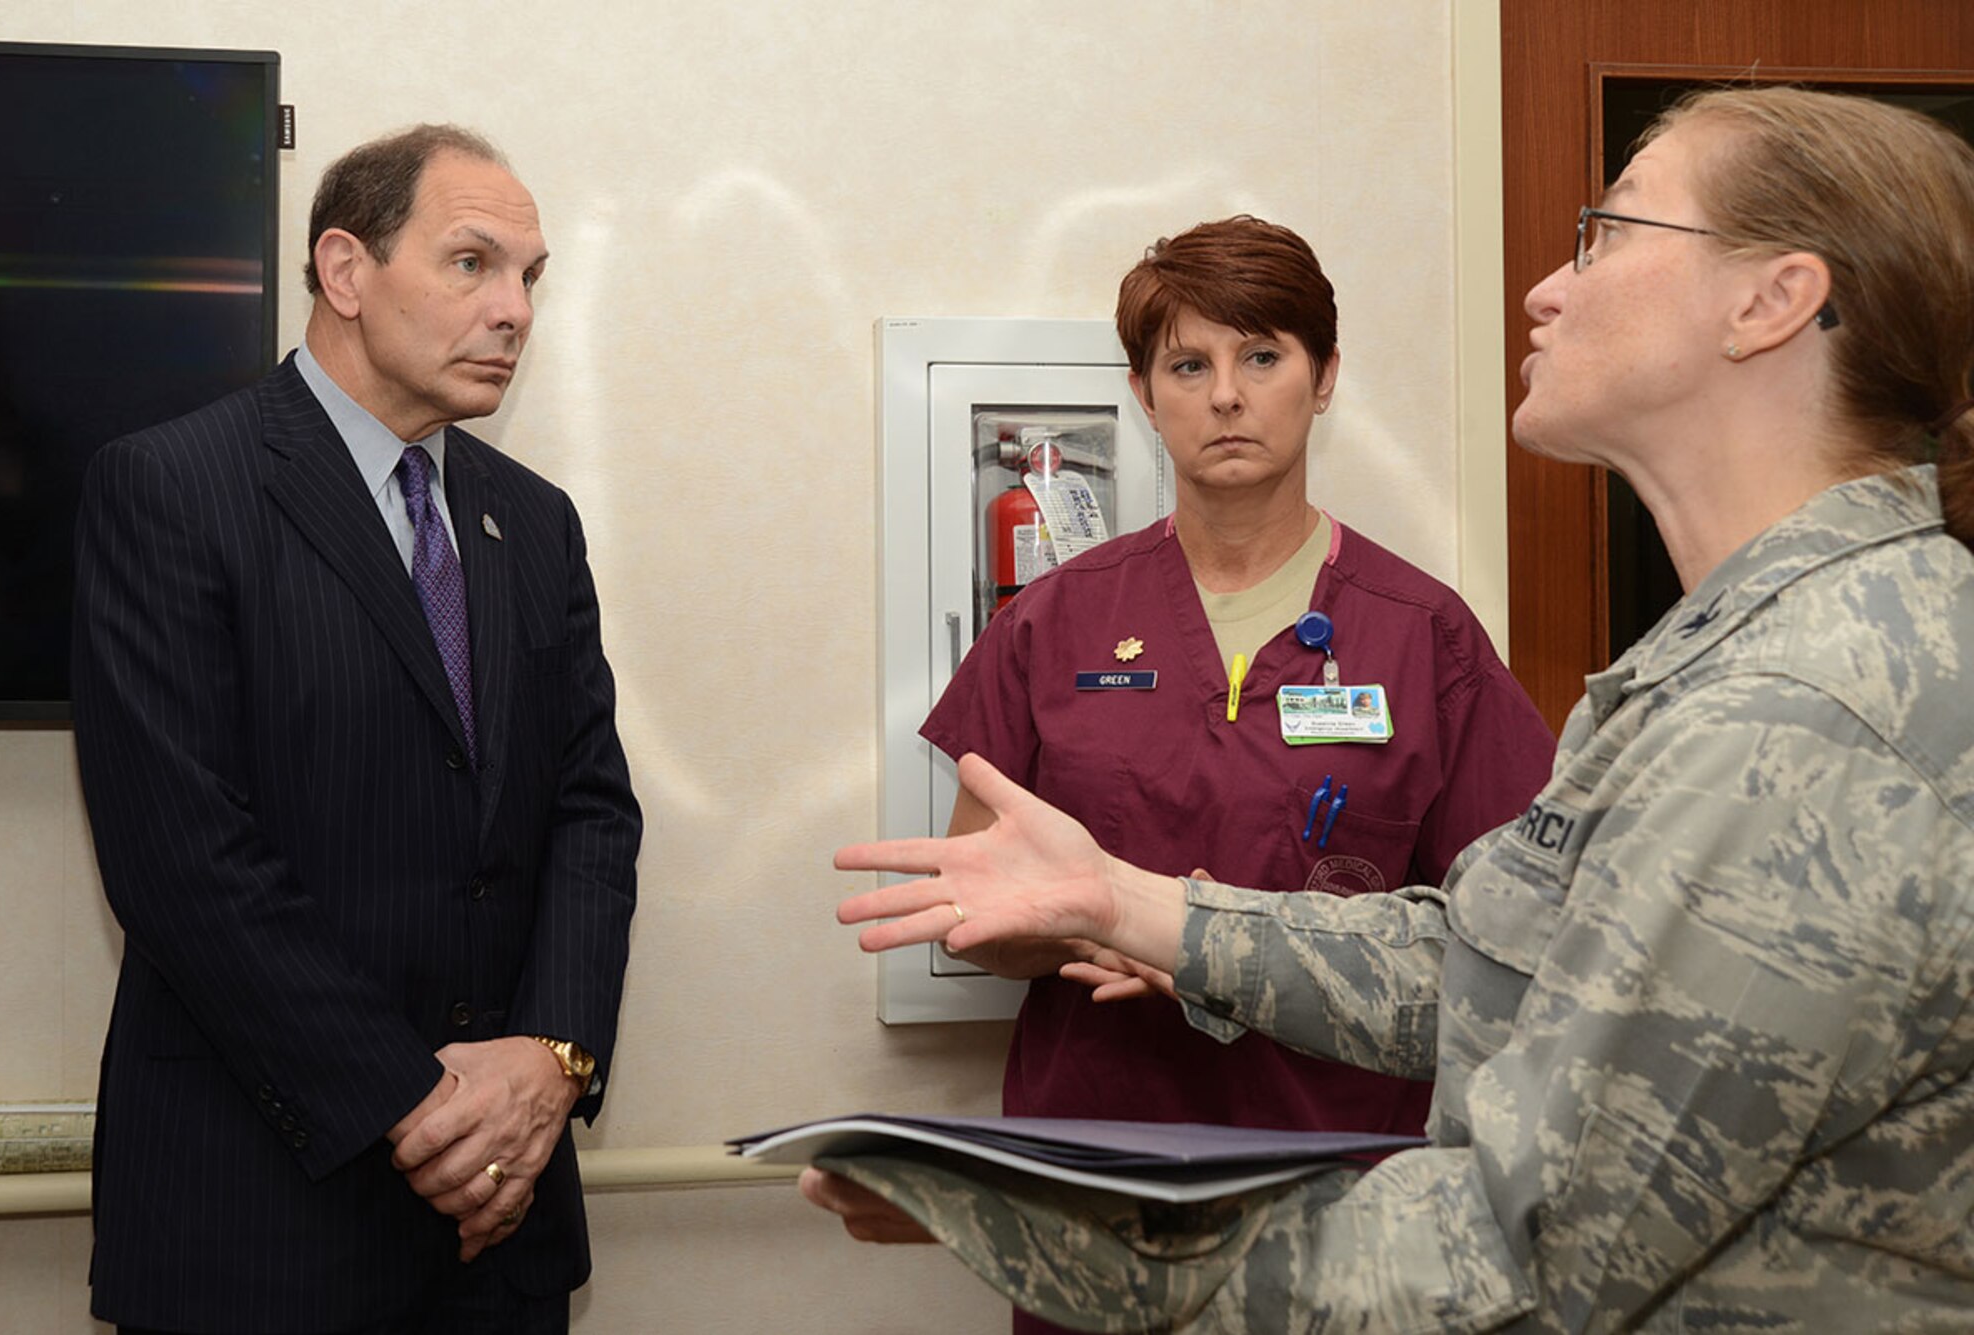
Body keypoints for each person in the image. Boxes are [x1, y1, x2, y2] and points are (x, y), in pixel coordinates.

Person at [804, 85, 1974, 1331]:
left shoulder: (1797, 713)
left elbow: (1528, 1254)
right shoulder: (1719, 668)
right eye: (1187, 364)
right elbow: (1495, 966)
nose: (1545, 288)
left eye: (1610, 230)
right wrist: (1127, 907)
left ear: (1768, 301)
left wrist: (1039, 1217)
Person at [925, 217, 1552, 1332]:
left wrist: (1221, 951)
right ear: (1142, 392)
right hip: (1098, 1189)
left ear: (1322, 381)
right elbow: (971, 915)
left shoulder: (1423, 634)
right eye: (1187, 364)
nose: (1225, 395)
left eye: (1261, 357)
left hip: (1340, 1194)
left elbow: (1515, 944)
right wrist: (1111, 928)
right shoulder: (1052, 622)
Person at [71, 125, 643, 1335]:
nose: (515, 311)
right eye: (472, 263)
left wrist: (551, 1060)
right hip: (258, 1220)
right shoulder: (171, 489)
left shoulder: (532, 525)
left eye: (529, 278)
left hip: (500, 1225)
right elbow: (181, 861)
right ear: (344, 271)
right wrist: (421, 1115)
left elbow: (590, 808)